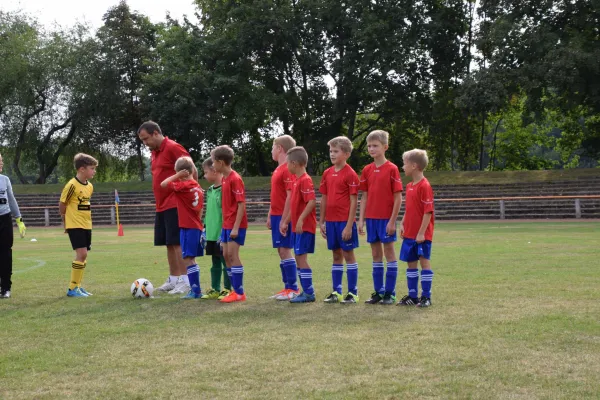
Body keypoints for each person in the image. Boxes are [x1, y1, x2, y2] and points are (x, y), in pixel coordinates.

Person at [138, 121, 195, 295]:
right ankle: (173, 278)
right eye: (142, 140)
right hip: (161, 205)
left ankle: (186, 281)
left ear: (156, 133)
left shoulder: (173, 148)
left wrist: (193, 195)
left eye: (146, 139)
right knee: (169, 243)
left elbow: (191, 168)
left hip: (175, 202)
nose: (144, 143)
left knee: (177, 242)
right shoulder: (154, 153)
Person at [358, 130, 403, 305]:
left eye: (375, 145)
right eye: (369, 146)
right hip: (371, 219)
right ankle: (378, 292)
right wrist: (361, 219)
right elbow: (364, 196)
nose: (371, 148)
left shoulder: (392, 169)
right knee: (376, 254)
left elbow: (398, 197)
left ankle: (390, 294)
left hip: (386, 219)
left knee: (389, 253)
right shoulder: (367, 170)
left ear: (385, 147)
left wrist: (392, 221)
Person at [319, 136, 360, 304]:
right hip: (331, 222)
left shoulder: (350, 174)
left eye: (336, 151)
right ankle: (337, 292)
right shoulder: (327, 173)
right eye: (330, 151)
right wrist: (321, 221)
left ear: (346, 154)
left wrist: (349, 226)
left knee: (348, 255)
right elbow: (324, 198)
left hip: (344, 222)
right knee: (336, 256)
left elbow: (353, 201)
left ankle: (353, 293)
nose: (332, 154)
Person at [160, 156, 205, 299]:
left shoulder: (183, 186)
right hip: (196, 225)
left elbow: (164, 184)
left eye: (178, 174)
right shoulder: (197, 185)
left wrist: (177, 175)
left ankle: (195, 290)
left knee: (188, 259)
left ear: (182, 173)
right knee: (191, 258)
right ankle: (195, 289)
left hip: (188, 226)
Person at [398, 149, 435, 308]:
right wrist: (403, 222)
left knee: (424, 263)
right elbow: (409, 208)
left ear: (414, 166)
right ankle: (413, 296)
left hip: (421, 235)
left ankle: (426, 297)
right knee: (410, 263)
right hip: (409, 233)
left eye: (405, 163)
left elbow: (428, 212)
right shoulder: (409, 186)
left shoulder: (424, 186)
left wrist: (421, 233)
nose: (403, 166)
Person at [211, 145, 247, 303]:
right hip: (226, 225)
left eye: (213, 162)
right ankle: (233, 290)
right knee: (225, 255)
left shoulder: (235, 178)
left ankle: (239, 292)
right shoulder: (224, 178)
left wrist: (235, 227)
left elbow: (241, 205)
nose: (212, 165)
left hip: (235, 225)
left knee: (233, 255)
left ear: (220, 162)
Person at [281, 146, 317, 303]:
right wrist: (287, 221)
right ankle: (305, 291)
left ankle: (309, 292)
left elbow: (311, 202)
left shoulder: (305, 180)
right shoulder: (296, 181)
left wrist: (301, 219)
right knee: (298, 257)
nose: (286, 166)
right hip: (297, 227)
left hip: (305, 227)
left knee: (301, 258)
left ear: (294, 163)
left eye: (287, 162)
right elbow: (295, 206)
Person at [59, 153, 98, 297]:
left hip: (86, 224)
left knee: (84, 256)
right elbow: (63, 204)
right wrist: (65, 222)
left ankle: (78, 286)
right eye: (92, 168)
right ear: (82, 169)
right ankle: (72, 288)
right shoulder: (71, 185)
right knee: (81, 254)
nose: (94, 171)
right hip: (74, 224)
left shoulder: (90, 186)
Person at [267, 135, 299, 300]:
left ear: (279, 148)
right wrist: (270, 214)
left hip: (283, 215)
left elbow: (290, 195)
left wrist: (284, 219)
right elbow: (276, 195)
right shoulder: (279, 169)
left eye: (273, 147)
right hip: (276, 214)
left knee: (286, 249)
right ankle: (287, 287)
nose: (271, 151)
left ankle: (293, 288)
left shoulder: (287, 168)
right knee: (281, 250)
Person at [199, 157, 232, 300]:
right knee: (215, 261)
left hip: (222, 233)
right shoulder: (210, 190)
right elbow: (209, 211)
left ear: (214, 170)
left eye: (206, 172)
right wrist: (205, 229)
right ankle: (215, 288)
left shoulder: (225, 189)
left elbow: (227, 212)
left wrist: (224, 231)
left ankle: (228, 288)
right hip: (211, 234)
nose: (205, 176)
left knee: (226, 261)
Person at [0, 152, 27, 299]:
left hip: (4, 219)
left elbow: (11, 199)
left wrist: (19, 220)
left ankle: (5, 288)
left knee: (5, 254)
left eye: (2, 160)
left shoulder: (5, 180)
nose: (1, 163)